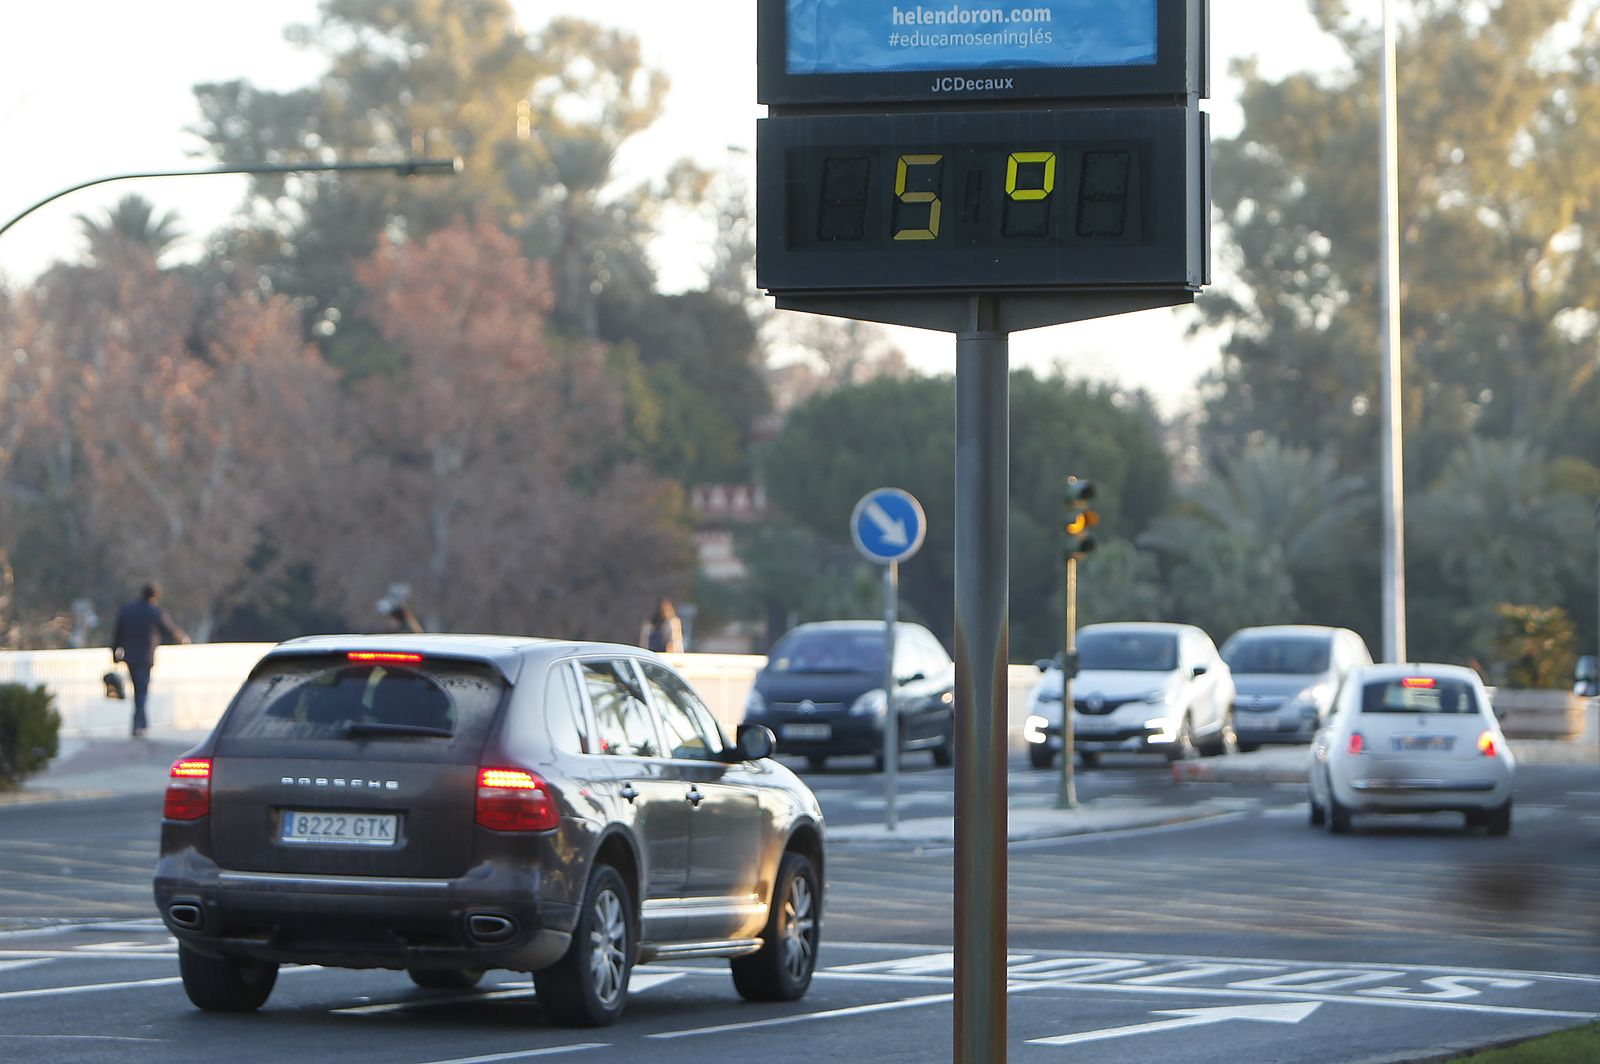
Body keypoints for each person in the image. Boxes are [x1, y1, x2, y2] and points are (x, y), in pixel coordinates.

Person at [111, 582, 190, 737]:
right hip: (145, 657)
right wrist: (182, 638)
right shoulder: (155, 612)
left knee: (139, 689)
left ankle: (143, 723)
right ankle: (137, 724)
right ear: (154, 596)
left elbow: (117, 634)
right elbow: (170, 629)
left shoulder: (127, 610)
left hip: (130, 657)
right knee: (142, 690)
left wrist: (114, 653)